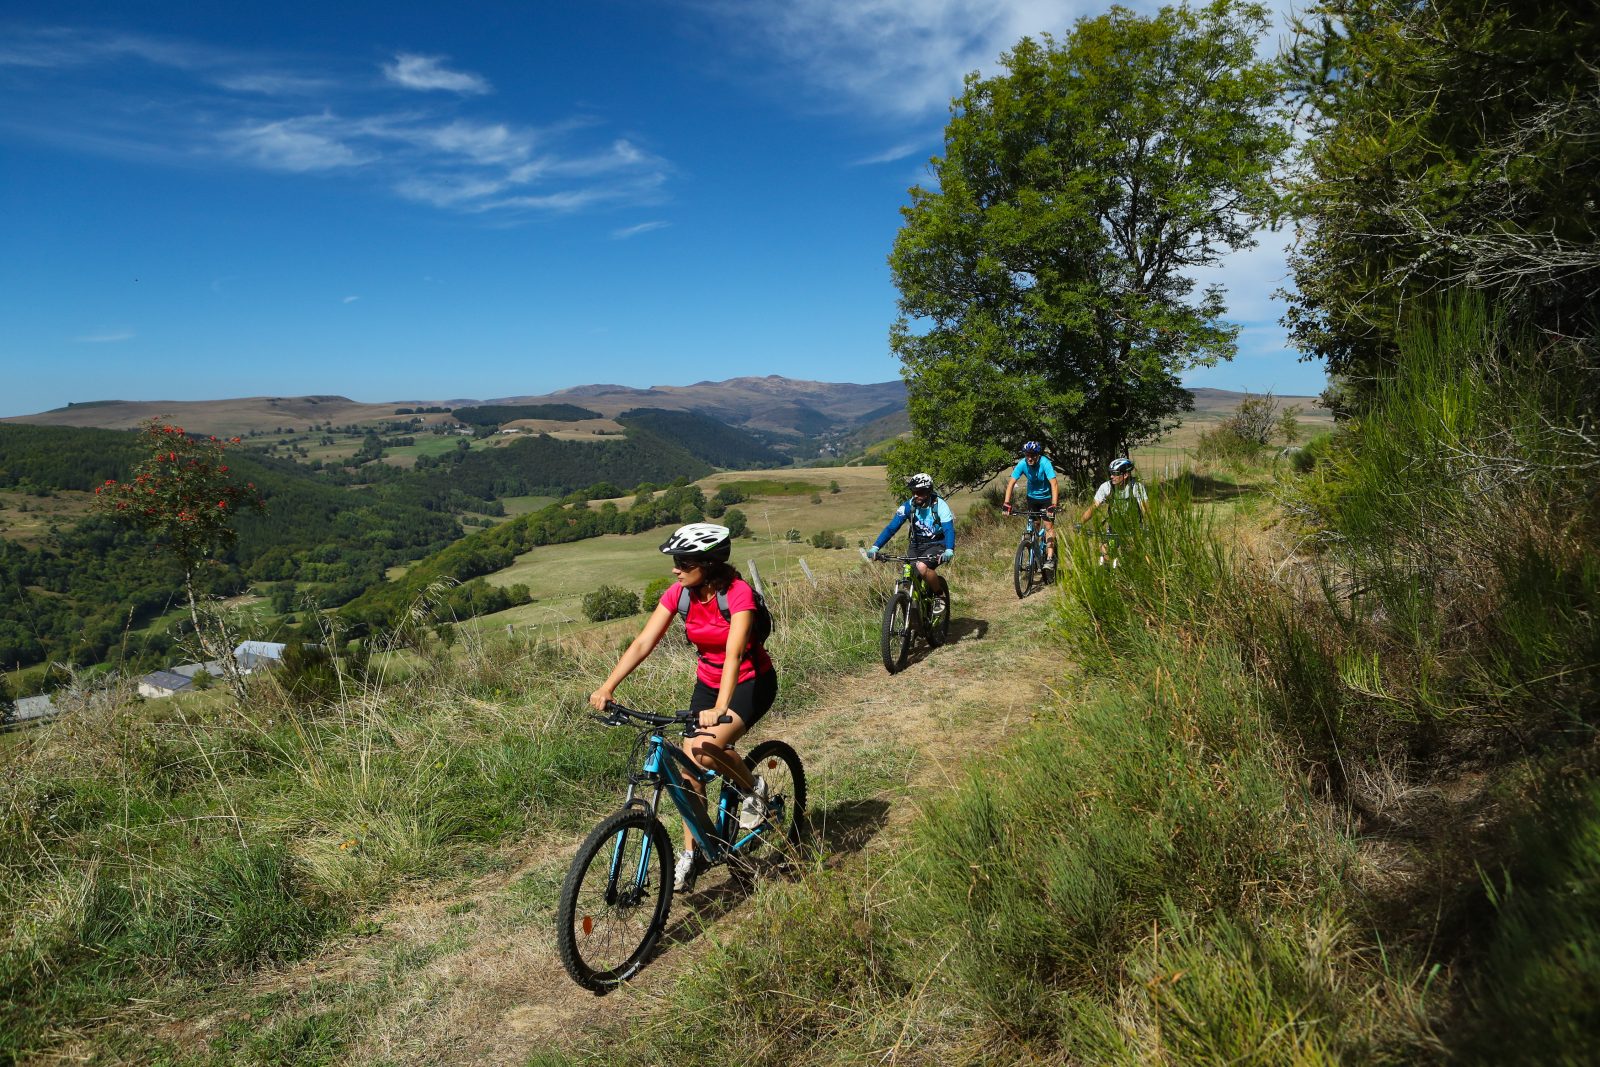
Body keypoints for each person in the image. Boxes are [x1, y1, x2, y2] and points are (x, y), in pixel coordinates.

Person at [588, 522, 777, 892]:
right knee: (689, 772)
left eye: (683, 561)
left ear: (707, 564)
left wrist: (721, 707)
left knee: (704, 751)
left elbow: (735, 653)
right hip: (707, 683)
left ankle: (754, 787)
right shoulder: (680, 594)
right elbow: (644, 642)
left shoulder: (738, 594)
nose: (675, 568)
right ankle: (695, 851)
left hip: (749, 682)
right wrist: (608, 685)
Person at [866, 473, 954, 609]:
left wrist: (949, 549)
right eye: (913, 492)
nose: (916, 495)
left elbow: (948, 529)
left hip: (937, 544)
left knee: (922, 567)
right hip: (916, 545)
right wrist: (875, 547)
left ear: (929, 491)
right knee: (908, 579)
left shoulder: (940, 506)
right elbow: (891, 528)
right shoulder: (908, 506)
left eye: (920, 492)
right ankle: (914, 623)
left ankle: (939, 594)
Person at [1001, 440, 1060, 571]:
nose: (1030, 458)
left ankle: (1050, 558)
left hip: (1047, 498)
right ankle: (1034, 557)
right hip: (1032, 498)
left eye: (1033, 455)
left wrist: (1053, 505)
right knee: (1034, 527)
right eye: (1027, 455)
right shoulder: (1022, 464)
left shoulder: (1045, 463)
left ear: (1038, 455)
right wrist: (1006, 503)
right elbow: (1011, 483)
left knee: (1048, 527)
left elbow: (1054, 484)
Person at [1079, 457, 1148, 565]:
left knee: (1133, 554)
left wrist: (1150, 526)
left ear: (1125, 475)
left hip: (1134, 527)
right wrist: (1080, 523)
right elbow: (1093, 507)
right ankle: (1106, 575)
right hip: (1114, 526)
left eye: (1115, 474)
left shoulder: (1136, 487)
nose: (1111, 476)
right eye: (1111, 473)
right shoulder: (1107, 487)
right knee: (1105, 551)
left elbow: (1145, 509)